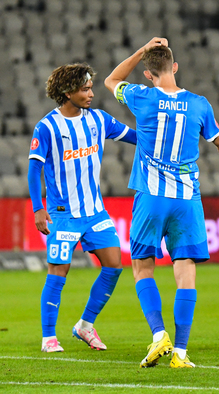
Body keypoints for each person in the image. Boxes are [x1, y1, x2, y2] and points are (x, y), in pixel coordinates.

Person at [104, 37, 219, 368]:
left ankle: (159, 336)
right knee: (186, 270)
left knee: (142, 266)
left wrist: (141, 49)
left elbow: (111, 80)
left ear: (147, 73)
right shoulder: (199, 104)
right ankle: (181, 353)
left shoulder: (141, 96)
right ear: (175, 67)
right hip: (186, 199)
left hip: (151, 197)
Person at [28, 63, 137, 353]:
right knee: (58, 271)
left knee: (114, 265)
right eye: (84, 88)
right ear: (67, 92)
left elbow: (135, 137)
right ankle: (48, 336)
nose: (91, 93)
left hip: (95, 212)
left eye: (90, 87)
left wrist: (162, 137)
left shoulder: (99, 120)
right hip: (64, 216)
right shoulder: (47, 126)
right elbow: (33, 169)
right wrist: (38, 209)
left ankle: (85, 325)